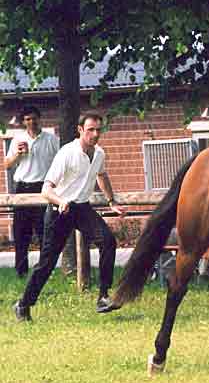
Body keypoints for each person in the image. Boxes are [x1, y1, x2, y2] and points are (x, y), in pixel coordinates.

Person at [13, 113, 126, 322]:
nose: (95, 134)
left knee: (108, 241)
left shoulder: (99, 153)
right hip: (59, 212)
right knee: (47, 263)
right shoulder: (67, 153)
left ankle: (103, 296)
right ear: (80, 130)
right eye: (91, 129)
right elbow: (46, 189)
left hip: (82, 209)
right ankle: (23, 304)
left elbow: (101, 175)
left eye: (98, 130)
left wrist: (112, 202)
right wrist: (60, 201)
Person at [4, 106, 59, 278]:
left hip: (43, 188)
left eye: (34, 118)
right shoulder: (18, 139)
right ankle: (21, 272)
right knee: (21, 232)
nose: (31, 122)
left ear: (39, 119)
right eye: (27, 119)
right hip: (22, 189)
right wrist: (18, 155)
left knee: (45, 232)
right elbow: (7, 165)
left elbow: (60, 164)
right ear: (23, 122)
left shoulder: (51, 139)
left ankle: (43, 272)